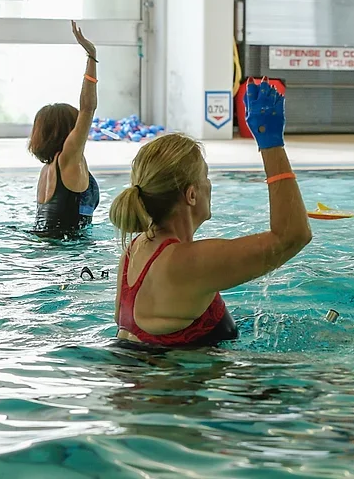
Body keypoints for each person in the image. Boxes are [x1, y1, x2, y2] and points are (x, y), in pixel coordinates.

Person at [109, 81, 312, 348]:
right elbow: (292, 236)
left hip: (138, 377)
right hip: (170, 387)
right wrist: (271, 144)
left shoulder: (136, 250)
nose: (210, 184)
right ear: (191, 195)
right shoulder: (185, 263)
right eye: (206, 176)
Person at [29, 22, 100, 238]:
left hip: (45, 246)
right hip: (66, 253)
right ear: (70, 128)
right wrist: (92, 57)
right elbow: (88, 108)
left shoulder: (47, 170)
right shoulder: (68, 160)